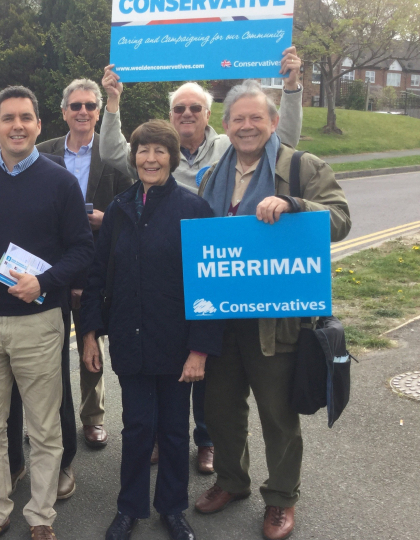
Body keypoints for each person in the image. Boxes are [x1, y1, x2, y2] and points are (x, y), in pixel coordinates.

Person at [100, 47, 303, 475]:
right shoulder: (190, 165)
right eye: (179, 108)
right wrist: (113, 104)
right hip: (195, 287)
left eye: (195, 107)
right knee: (213, 389)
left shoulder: (226, 149)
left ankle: (246, 471)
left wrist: (291, 87)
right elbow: (116, 153)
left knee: (264, 405)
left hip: (258, 292)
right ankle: (225, 474)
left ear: (211, 116)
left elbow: (283, 141)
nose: (187, 113)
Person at [192, 80, 351, 540]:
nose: (246, 126)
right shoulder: (211, 175)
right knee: (221, 410)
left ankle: (281, 499)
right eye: (237, 119)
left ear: (273, 121)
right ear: (225, 126)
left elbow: (340, 219)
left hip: (276, 321)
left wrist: (295, 204)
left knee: (277, 415)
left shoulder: (301, 167)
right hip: (220, 319)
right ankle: (231, 481)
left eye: (255, 118)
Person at [0, 86, 94, 540]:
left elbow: (82, 250)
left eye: (24, 118)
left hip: (39, 321)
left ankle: (41, 516)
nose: (15, 126)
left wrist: (45, 280)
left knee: (44, 428)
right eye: (5, 118)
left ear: (38, 124)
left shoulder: (60, 182)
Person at [79, 120, 223, 540]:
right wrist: (90, 333)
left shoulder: (194, 210)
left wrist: (200, 350)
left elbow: (208, 285)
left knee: (175, 431)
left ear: (172, 158)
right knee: (139, 429)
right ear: (134, 156)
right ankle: (130, 508)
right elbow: (95, 278)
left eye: (160, 151)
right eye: (143, 150)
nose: (151, 158)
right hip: (131, 341)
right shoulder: (120, 209)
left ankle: (173, 509)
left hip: (178, 345)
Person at [37, 78, 134, 455]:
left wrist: (105, 218)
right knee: (47, 350)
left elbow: (131, 205)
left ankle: (92, 419)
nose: (82, 112)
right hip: (52, 267)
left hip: (99, 264)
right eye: (75, 105)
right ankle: (48, 420)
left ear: (98, 112)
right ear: (63, 111)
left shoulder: (113, 155)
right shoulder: (43, 153)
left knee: (91, 343)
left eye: (90, 106)